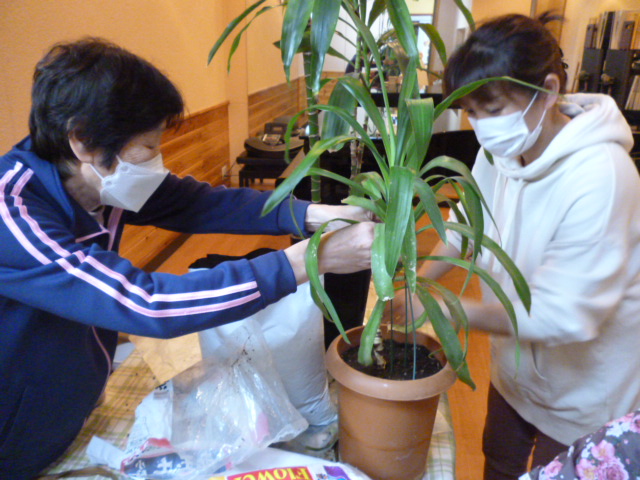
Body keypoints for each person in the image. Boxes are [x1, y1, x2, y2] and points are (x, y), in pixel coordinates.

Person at [0, 38, 375, 479]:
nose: (156, 161)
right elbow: (147, 303)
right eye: (147, 147)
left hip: (68, 408)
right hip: (15, 440)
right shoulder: (12, 211)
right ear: (82, 138)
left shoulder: (97, 181)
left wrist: (310, 215)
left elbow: (201, 203)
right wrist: (310, 259)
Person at [410, 13, 640, 479]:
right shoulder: (500, 151)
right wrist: (418, 282)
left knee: (559, 470)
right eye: (471, 112)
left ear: (548, 90)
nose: (481, 127)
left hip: (584, 386)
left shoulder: (602, 175)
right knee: (499, 459)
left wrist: (442, 308)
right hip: (517, 365)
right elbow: (465, 227)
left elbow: (564, 313)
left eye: (493, 110)